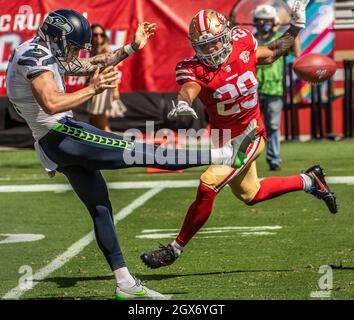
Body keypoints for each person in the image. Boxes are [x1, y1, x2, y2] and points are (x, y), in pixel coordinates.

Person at [5, 8, 243, 300]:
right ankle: (223, 154)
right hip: (63, 135)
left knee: (100, 208)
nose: (74, 53)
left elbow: (90, 63)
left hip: (54, 143)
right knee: (142, 152)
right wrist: (93, 89)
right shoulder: (35, 57)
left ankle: (125, 283)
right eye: (72, 46)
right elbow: (52, 103)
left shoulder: (40, 51)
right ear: (57, 37)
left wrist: (131, 48)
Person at [140, 1, 338, 270]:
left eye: (213, 42)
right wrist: (183, 103)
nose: (209, 50)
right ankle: (309, 181)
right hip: (222, 137)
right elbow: (189, 88)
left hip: (250, 132)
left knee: (208, 184)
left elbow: (270, 54)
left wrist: (296, 27)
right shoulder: (193, 67)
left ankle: (174, 251)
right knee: (251, 194)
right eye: (203, 45)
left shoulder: (242, 41)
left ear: (225, 35)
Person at [253, 4, 300, 171]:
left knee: (273, 126)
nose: (263, 23)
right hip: (252, 91)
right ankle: (246, 160)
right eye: (260, 20)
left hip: (275, 89)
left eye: (267, 20)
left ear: (273, 22)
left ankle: (274, 159)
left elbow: (296, 53)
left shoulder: (281, 37)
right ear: (255, 21)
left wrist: (295, 28)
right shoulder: (251, 40)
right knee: (251, 127)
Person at [87, 23, 126, 131]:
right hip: (97, 86)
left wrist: (115, 90)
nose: (99, 37)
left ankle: (111, 143)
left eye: (101, 34)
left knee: (101, 120)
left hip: (104, 88)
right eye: (95, 35)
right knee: (93, 119)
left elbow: (114, 71)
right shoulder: (94, 50)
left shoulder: (106, 50)